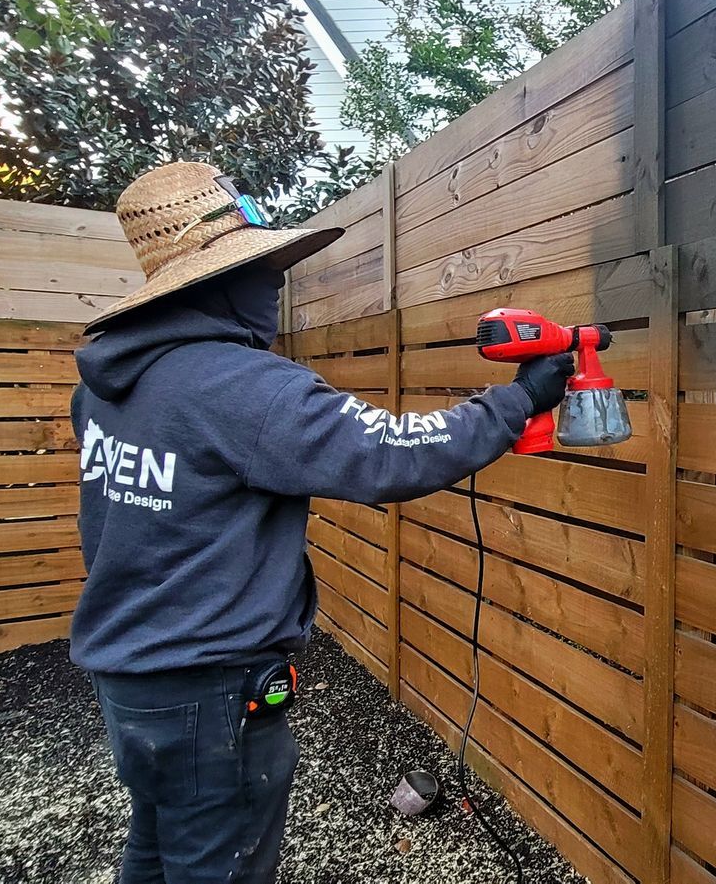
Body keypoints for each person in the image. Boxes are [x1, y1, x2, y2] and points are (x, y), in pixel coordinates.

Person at [67, 162, 573, 883]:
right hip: (209, 693)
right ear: (211, 284)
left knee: (155, 851)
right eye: (259, 268)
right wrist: (519, 400)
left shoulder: (109, 386)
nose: (274, 284)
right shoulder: (240, 386)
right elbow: (390, 457)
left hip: (131, 679)